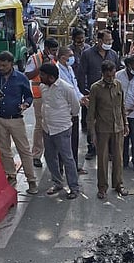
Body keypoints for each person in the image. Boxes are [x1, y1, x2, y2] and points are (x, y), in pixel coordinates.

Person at [0, 51, 38, 194]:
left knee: (24, 150)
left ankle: (31, 180)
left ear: (11, 64)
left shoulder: (21, 78)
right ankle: (10, 175)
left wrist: (25, 105)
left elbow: (28, 97)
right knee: (4, 149)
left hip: (16, 119)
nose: (0, 68)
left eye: (4, 65)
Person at [87, 60, 129, 200]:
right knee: (103, 159)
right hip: (102, 128)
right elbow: (91, 112)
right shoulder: (96, 88)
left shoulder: (118, 85)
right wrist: (92, 133)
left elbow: (122, 106)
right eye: (108, 76)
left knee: (118, 157)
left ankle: (118, 184)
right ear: (103, 74)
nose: (111, 78)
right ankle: (102, 187)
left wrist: (125, 123)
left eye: (112, 75)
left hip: (118, 126)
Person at [38, 63, 80, 199]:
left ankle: (74, 187)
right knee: (50, 157)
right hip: (47, 128)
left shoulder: (66, 88)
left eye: (42, 75)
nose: (40, 77)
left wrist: (70, 119)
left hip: (62, 129)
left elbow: (75, 107)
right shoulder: (43, 87)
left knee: (67, 158)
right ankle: (57, 183)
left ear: (51, 77)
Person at [78, 31, 118, 161]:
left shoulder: (113, 55)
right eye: (107, 41)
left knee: (108, 120)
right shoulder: (87, 54)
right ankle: (92, 148)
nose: (109, 43)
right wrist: (83, 92)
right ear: (99, 41)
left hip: (109, 94)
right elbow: (81, 73)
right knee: (91, 120)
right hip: (92, 93)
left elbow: (117, 74)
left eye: (110, 41)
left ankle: (109, 150)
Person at [25, 39, 60, 168]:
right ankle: (36, 155)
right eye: (52, 50)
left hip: (54, 96)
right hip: (39, 96)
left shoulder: (56, 59)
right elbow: (27, 75)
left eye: (56, 50)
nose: (54, 53)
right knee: (40, 125)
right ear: (46, 48)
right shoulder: (35, 58)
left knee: (54, 123)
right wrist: (41, 69)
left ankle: (53, 154)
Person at [55, 46, 85, 174]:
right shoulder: (57, 71)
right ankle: (61, 168)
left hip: (73, 109)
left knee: (74, 139)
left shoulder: (69, 68)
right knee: (63, 142)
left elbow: (75, 87)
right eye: (70, 55)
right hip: (63, 110)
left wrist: (82, 98)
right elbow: (66, 90)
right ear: (63, 58)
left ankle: (74, 165)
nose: (73, 58)